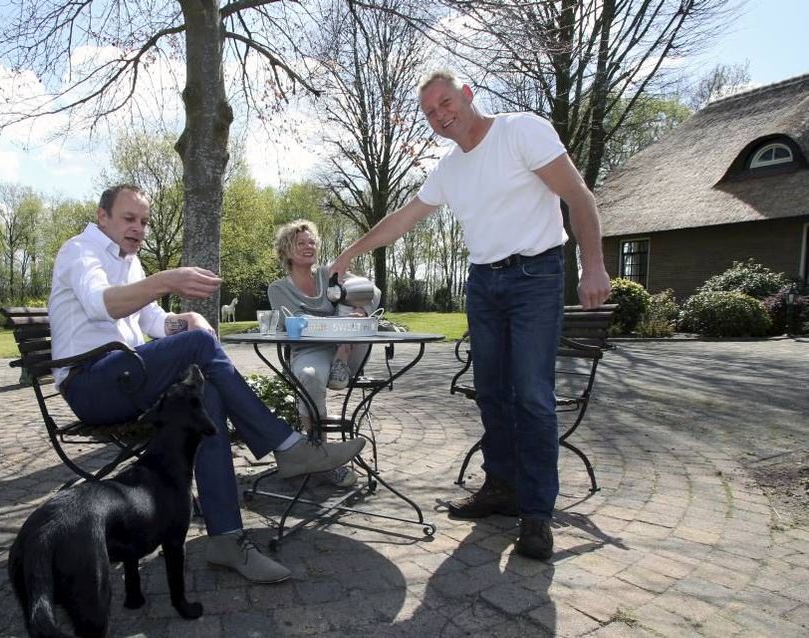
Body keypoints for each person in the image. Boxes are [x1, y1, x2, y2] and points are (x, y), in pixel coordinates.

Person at [330, 71, 611, 561]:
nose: (440, 115)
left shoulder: (521, 130)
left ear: (467, 94)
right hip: (483, 283)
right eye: (430, 112)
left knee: (533, 396)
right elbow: (402, 218)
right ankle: (501, 488)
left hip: (536, 276)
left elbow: (578, 197)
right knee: (492, 392)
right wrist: (350, 251)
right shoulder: (449, 170)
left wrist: (594, 265)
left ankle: (538, 514)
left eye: (445, 102)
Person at [49, 184, 365, 583]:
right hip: (91, 384)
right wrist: (167, 281)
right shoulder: (81, 251)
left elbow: (152, 324)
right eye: (129, 219)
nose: (139, 229)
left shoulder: (130, 263)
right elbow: (101, 304)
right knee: (198, 347)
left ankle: (226, 539)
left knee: (208, 395)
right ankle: (289, 446)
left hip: (126, 376)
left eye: (144, 222)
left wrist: (186, 321)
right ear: (102, 216)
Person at [267, 220, 381, 488]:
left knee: (351, 306)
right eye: (301, 243)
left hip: (345, 347)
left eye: (312, 242)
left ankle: (341, 363)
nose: (309, 247)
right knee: (308, 377)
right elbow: (293, 323)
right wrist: (332, 325)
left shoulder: (329, 273)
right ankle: (325, 458)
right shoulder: (278, 289)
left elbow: (371, 291)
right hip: (310, 349)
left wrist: (361, 311)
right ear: (286, 251)